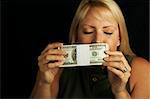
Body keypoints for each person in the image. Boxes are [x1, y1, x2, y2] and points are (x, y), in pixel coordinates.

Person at [30, 0, 149, 99]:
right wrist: (43, 83)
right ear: (76, 36)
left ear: (119, 38)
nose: (97, 40)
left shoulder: (141, 70)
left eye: (108, 32)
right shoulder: (57, 67)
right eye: (88, 31)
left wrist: (120, 92)